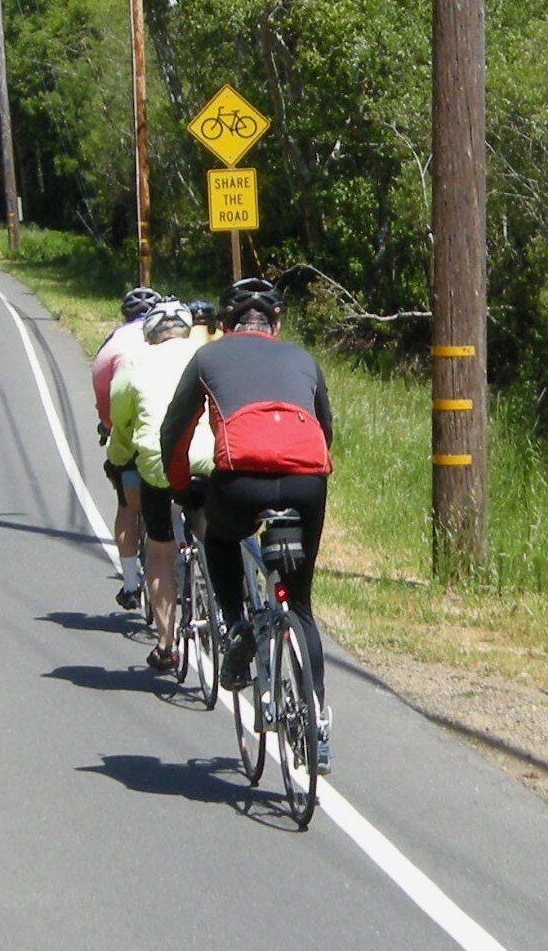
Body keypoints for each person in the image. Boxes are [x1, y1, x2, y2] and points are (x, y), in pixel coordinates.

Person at [159, 276, 333, 765]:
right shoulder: (304, 359)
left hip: (240, 479)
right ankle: (317, 722)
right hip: (305, 482)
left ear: (224, 325)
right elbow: (327, 429)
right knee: (298, 604)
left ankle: (236, 626)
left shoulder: (208, 357)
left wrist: (177, 485)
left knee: (219, 538)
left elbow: (176, 430)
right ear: (276, 324)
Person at [107, 300, 208, 671]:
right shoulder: (205, 354)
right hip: (209, 461)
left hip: (160, 465)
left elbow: (122, 422)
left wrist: (118, 458)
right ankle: (222, 603)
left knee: (161, 550)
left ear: (150, 334)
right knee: (209, 528)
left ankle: (167, 644)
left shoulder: (134, 362)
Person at [92, 286, 163, 608]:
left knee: (128, 506)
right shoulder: (174, 340)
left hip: (131, 438)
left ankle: (132, 584)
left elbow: (105, 400)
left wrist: (108, 426)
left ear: (125, 316)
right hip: (174, 439)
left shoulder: (113, 344)